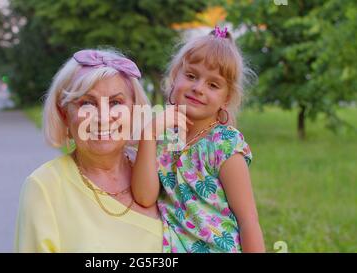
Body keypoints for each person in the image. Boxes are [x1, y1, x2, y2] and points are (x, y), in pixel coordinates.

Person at [131, 26, 265, 252]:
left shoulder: (224, 144)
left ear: (227, 97)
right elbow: (144, 197)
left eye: (213, 85)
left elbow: (248, 220)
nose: (198, 88)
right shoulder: (164, 136)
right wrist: (149, 135)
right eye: (191, 76)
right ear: (175, 77)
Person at [15, 49, 163, 252]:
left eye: (115, 103)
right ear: (64, 113)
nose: (103, 117)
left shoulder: (162, 170)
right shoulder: (44, 187)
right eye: (87, 103)